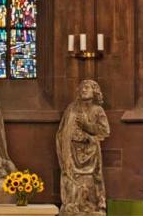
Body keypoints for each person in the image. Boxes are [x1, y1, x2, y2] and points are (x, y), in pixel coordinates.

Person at [56, 80, 111, 215]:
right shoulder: (71, 108)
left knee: (89, 179)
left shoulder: (98, 110)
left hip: (90, 153)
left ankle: (92, 206)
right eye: (81, 88)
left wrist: (86, 126)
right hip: (71, 151)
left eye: (87, 88)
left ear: (94, 91)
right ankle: (72, 205)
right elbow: (62, 130)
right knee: (72, 178)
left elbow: (105, 131)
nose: (83, 90)